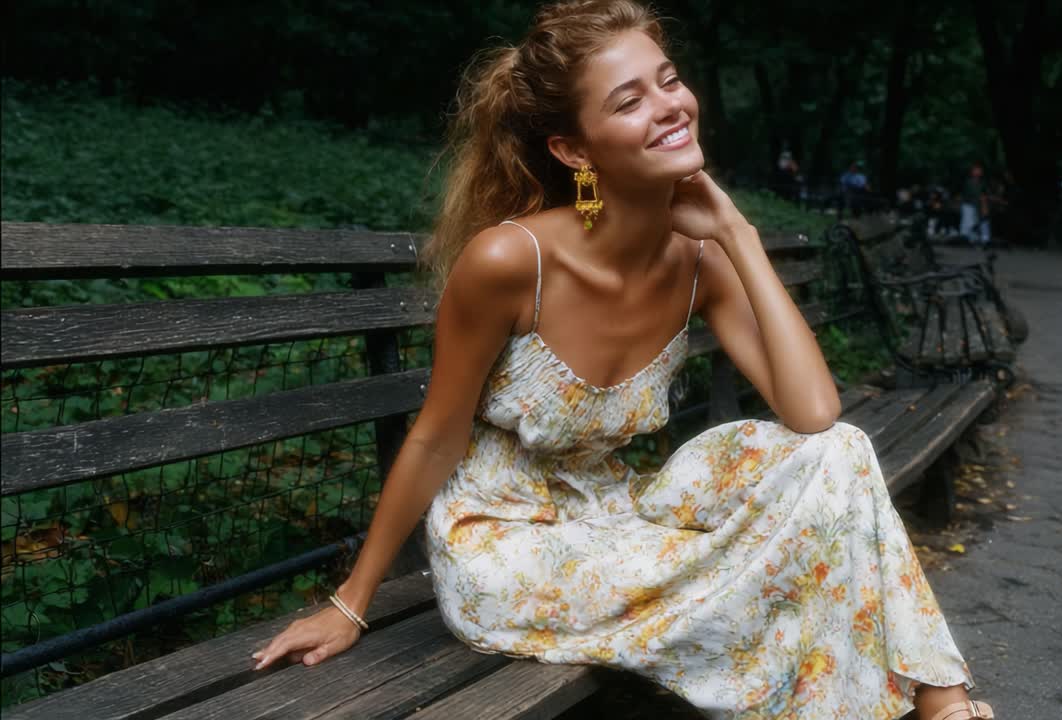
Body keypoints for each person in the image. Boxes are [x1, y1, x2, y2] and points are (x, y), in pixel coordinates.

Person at [250, 3, 993, 719]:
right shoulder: (512, 259)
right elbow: (436, 436)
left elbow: (815, 415)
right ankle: (943, 709)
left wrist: (736, 232)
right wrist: (351, 602)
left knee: (839, 452)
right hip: (510, 549)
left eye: (670, 81)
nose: (669, 105)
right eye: (631, 100)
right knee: (778, 561)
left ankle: (940, 705)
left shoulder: (702, 260)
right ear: (575, 151)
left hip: (616, 514)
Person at [959, 162, 990, 247]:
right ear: (972, 171)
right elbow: (970, 194)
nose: (978, 172)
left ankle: (981, 239)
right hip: (969, 205)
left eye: (980, 170)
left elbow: (985, 193)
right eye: (976, 170)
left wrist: (984, 199)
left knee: (980, 222)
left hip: (979, 205)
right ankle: (968, 239)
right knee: (969, 223)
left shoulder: (982, 182)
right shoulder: (968, 182)